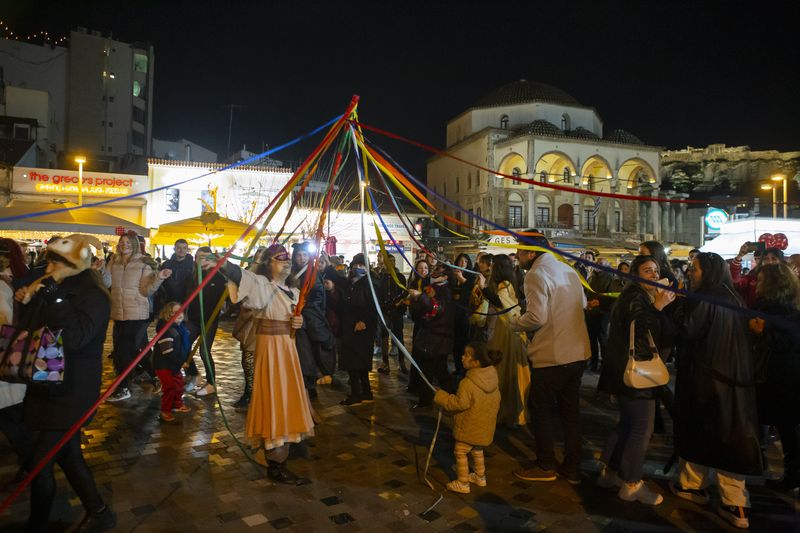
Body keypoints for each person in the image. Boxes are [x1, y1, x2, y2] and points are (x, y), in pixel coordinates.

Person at [16, 235, 116, 531]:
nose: (49, 266)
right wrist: (28, 301)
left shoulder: (94, 293)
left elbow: (75, 338)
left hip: (72, 389)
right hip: (47, 381)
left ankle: (38, 525)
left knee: (39, 462)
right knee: (68, 454)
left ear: (73, 264)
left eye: (55, 261)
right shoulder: (52, 287)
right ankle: (99, 511)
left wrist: (54, 298)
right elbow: (35, 330)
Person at [205, 244, 313, 484]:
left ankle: (283, 450)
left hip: (287, 350)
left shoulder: (292, 291)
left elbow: (295, 318)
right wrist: (220, 263)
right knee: (274, 397)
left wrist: (298, 322)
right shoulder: (263, 286)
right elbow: (240, 275)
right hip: (272, 350)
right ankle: (275, 461)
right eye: (279, 259)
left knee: (287, 396)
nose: (285, 262)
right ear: (268, 264)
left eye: (287, 259)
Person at [671, 252, 761, 529]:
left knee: (704, 430)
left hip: (707, 380)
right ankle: (730, 500)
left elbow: (687, 330)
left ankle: (709, 491)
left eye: (694, 269)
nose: (690, 272)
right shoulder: (732, 297)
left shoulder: (705, 298)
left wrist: (672, 308)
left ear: (707, 272)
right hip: (734, 381)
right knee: (729, 435)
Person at [509, 231, 590, 484]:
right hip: (577, 353)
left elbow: (536, 317)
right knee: (570, 412)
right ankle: (572, 467)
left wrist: (514, 323)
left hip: (553, 354)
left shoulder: (535, 274)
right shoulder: (566, 269)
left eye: (520, 252)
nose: (518, 257)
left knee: (540, 408)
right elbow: (584, 303)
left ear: (531, 253)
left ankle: (545, 465)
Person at [597, 255, 675, 505]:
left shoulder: (633, 295)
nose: (653, 275)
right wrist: (659, 307)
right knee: (642, 428)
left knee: (627, 424)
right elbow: (642, 329)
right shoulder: (638, 298)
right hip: (638, 372)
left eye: (655, 270)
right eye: (647, 271)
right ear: (634, 274)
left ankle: (610, 473)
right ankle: (631, 483)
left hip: (623, 371)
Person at [749, 262, 800, 492]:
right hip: (786, 373)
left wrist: (761, 333)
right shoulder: (792, 306)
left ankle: (789, 473)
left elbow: (785, 342)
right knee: (787, 426)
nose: (756, 284)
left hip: (776, 374)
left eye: (760, 280)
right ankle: (789, 472)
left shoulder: (769, 309)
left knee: (783, 425)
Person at [103, 231, 171, 402]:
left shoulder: (143, 263)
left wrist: (159, 278)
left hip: (138, 313)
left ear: (134, 244)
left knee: (122, 351)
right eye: (121, 242)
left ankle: (124, 387)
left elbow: (146, 290)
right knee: (138, 350)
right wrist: (100, 270)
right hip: (119, 313)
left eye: (127, 242)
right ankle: (157, 376)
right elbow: (106, 284)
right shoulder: (114, 262)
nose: (123, 245)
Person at [434, 342, 502, 494]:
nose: (462, 357)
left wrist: (441, 397)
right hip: (485, 427)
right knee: (477, 450)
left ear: (476, 362)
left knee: (460, 452)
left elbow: (458, 404)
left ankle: (463, 482)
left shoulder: (468, 383)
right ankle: (480, 476)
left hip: (468, 428)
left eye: (466, 355)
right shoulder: (493, 380)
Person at [327, 253, 379, 406]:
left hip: (362, 329)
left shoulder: (369, 284)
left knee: (356, 363)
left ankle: (357, 394)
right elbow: (340, 287)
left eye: (361, 266)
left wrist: (365, 322)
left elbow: (374, 307)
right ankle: (365, 392)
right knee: (358, 363)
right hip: (350, 328)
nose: (357, 269)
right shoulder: (352, 284)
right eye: (355, 266)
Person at [485, 254, 529, 427]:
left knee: (506, 368)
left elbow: (503, 305)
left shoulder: (505, 285)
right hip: (508, 328)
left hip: (508, 330)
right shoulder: (510, 282)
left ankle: (508, 411)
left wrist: (485, 290)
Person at [291, 242, 336, 399]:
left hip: (310, 318)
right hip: (295, 318)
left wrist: (304, 309)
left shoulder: (313, 273)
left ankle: (311, 384)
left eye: (304, 255)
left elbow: (317, 296)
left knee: (311, 350)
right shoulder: (291, 273)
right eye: (298, 255)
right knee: (301, 353)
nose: (301, 258)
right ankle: (305, 384)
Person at [408, 262, 455, 410]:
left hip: (437, 337)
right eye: (434, 270)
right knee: (436, 370)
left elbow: (437, 308)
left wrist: (420, 296)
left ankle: (432, 400)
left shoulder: (445, 291)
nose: (434, 273)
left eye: (438, 271)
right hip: (430, 335)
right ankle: (444, 397)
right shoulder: (433, 288)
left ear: (445, 276)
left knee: (434, 370)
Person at [184, 246, 227, 397]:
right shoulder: (193, 276)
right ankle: (194, 374)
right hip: (194, 319)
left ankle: (211, 383)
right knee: (183, 344)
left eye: (206, 257)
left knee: (204, 351)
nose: (202, 260)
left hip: (210, 320)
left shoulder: (219, 276)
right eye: (199, 257)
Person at [231, 246, 266, 409]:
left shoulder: (270, 277)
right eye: (257, 256)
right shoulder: (249, 274)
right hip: (250, 321)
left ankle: (257, 393)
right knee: (248, 359)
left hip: (264, 322)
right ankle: (250, 391)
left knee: (259, 360)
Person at [153, 302, 192, 422]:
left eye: (180, 311)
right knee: (169, 387)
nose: (178, 314)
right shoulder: (167, 330)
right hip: (164, 365)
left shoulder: (181, 329)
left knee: (179, 384)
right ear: (167, 315)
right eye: (174, 312)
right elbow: (168, 352)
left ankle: (177, 404)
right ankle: (165, 411)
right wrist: (181, 363)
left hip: (174, 364)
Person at [377, 253, 408, 374]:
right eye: (388, 261)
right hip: (384, 312)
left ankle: (402, 362)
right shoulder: (380, 277)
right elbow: (378, 294)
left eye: (393, 261)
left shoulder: (400, 277)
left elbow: (404, 293)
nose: (391, 263)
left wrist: (400, 308)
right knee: (384, 338)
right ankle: (385, 363)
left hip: (397, 312)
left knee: (399, 338)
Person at [730, 243, 784, 307]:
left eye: (774, 259)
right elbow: (737, 282)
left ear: (781, 261)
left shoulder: (787, 279)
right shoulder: (753, 276)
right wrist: (740, 256)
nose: (770, 262)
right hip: (754, 313)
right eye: (766, 259)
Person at [585, 257, 615, 373]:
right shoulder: (591, 277)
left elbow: (610, 295)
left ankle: (605, 363)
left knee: (602, 339)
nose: (598, 265)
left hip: (602, 313)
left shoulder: (609, 278)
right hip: (591, 311)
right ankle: (593, 362)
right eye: (597, 263)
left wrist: (599, 303)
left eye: (601, 263)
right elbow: (587, 291)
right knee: (591, 339)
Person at [450, 253, 476, 379]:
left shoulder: (471, 276)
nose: (462, 264)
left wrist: (462, 280)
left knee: (464, 342)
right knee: (455, 343)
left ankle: (464, 369)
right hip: (454, 312)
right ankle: (457, 367)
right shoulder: (452, 276)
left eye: (465, 261)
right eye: (460, 261)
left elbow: (472, 292)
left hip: (465, 313)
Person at [157, 239, 195, 308]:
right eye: (179, 248)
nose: (181, 250)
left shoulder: (193, 265)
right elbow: (159, 282)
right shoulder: (166, 264)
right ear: (174, 249)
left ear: (187, 249)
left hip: (187, 302)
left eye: (184, 248)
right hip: (169, 301)